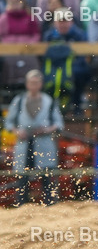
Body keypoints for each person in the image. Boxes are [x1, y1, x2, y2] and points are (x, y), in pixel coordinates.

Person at [3, 70, 64, 205]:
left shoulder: (49, 101)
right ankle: (22, 205)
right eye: (31, 83)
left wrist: (46, 130)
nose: (33, 86)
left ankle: (49, 204)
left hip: (44, 143)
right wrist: (17, 131)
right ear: (27, 84)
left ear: (40, 84)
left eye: (36, 83)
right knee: (22, 178)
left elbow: (59, 123)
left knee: (46, 177)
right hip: (24, 144)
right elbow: (9, 122)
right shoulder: (19, 101)